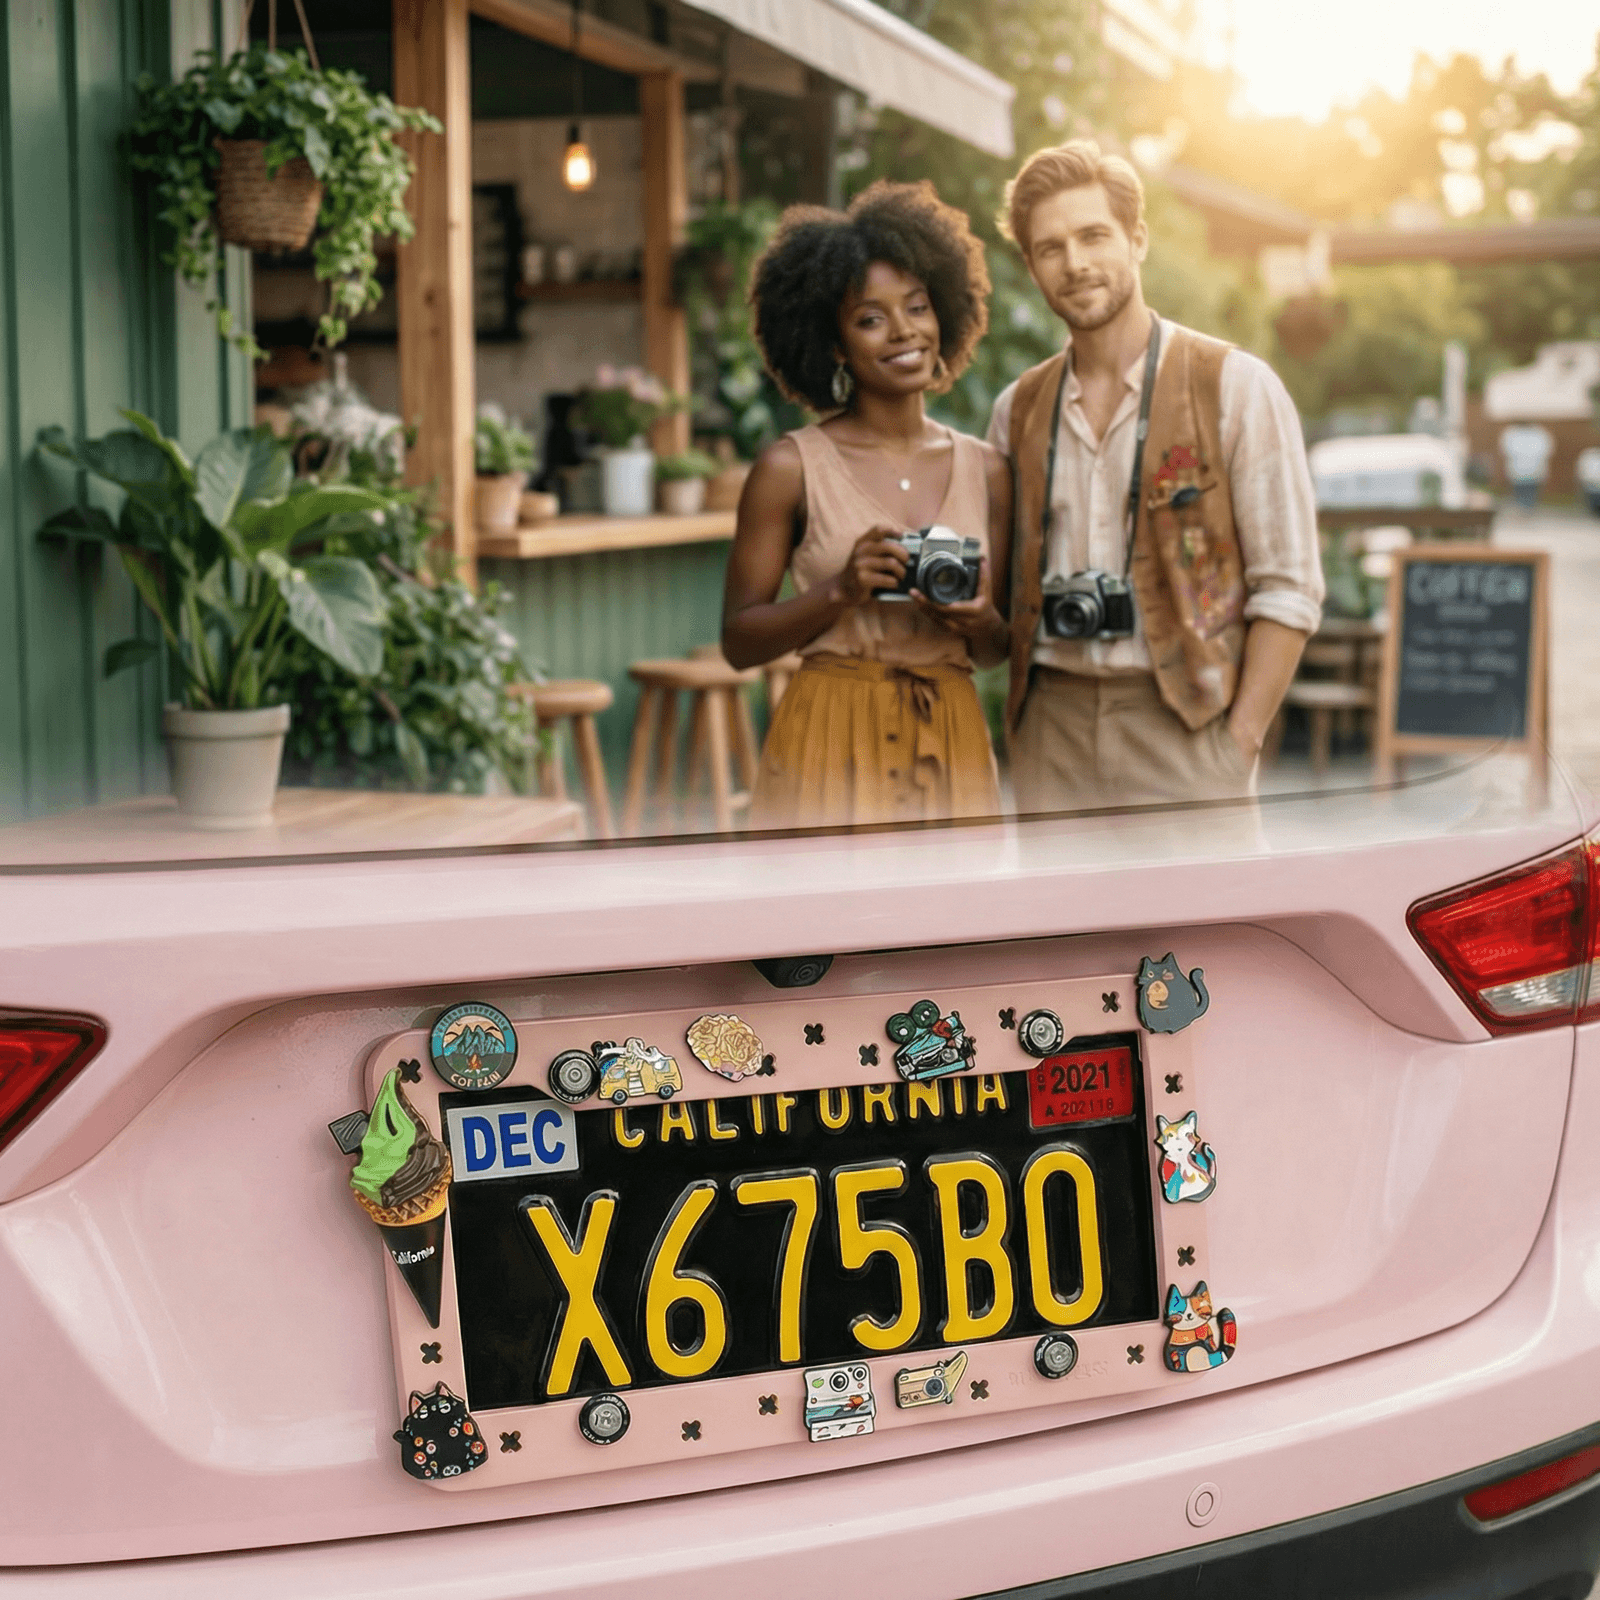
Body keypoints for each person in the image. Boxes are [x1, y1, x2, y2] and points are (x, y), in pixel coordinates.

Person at [986, 140, 1324, 813]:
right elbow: (998, 599)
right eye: (1050, 248)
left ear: (1137, 239)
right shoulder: (1015, 409)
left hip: (1188, 723)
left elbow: (1290, 588)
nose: (1075, 263)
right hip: (1050, 727)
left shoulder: (1235, 386)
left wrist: (1237, 746)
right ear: (1030, 266)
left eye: (1093, 236)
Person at [722, 181, 1011, 829]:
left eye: (918, 307)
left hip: (951, 737)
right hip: (829, 734)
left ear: (944, 313)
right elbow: (738, 643)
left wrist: (979, 617)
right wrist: (840, 591)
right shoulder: (788, 469)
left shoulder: (988, 469)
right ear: (834, 344)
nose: (905, 331)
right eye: (871, 319)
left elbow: (997, 650)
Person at [1500, 422, 1554, 508]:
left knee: (1527, 495)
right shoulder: (1539, 433)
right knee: (1525, 496)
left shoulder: (1512, 433)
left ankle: (1524, 508)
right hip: (1525, 472)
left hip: (1526, 472)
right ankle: (1525, 508)